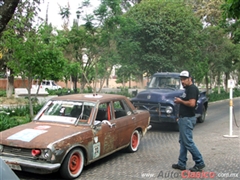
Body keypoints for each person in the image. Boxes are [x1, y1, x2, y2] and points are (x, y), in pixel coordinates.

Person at [172, 70, 205, 172]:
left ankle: (199, 162)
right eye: (181, 79)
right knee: (183, 142)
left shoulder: (192, 89)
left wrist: (180, 101)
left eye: (184, 79)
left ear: (190, 79)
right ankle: (181, 163)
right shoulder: (187, 89)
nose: (182, 81)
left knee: (188, 142)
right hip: (184, 118)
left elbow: (192, 104)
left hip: (187, 119)